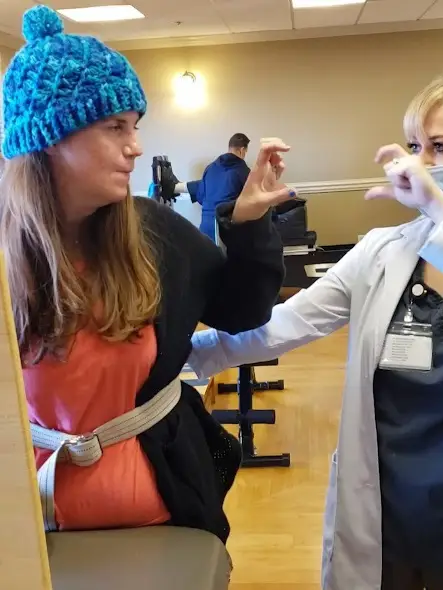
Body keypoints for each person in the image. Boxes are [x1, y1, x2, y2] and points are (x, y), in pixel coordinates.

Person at [0, 4, 295, 542]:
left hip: (165, 514)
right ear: (49, 139)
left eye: (134, 127)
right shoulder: (6, 261)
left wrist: (249, 225)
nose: (135, 146)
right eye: (115, 127)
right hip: (32, 529)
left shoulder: (152, 233)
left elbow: (240, 311)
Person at [189, 65, 443, 590]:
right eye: (414, 146)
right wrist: (178, 353)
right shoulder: (382, 251)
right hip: (384, 519)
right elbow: (280, 327)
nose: (419, 164)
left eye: (440, 148)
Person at [175, 133, 252, 242]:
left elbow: (201, 196)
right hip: (227, 230)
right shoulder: (243, 171)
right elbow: (249, 202)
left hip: (206, 228)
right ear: (242, 150)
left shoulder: (210, 168)